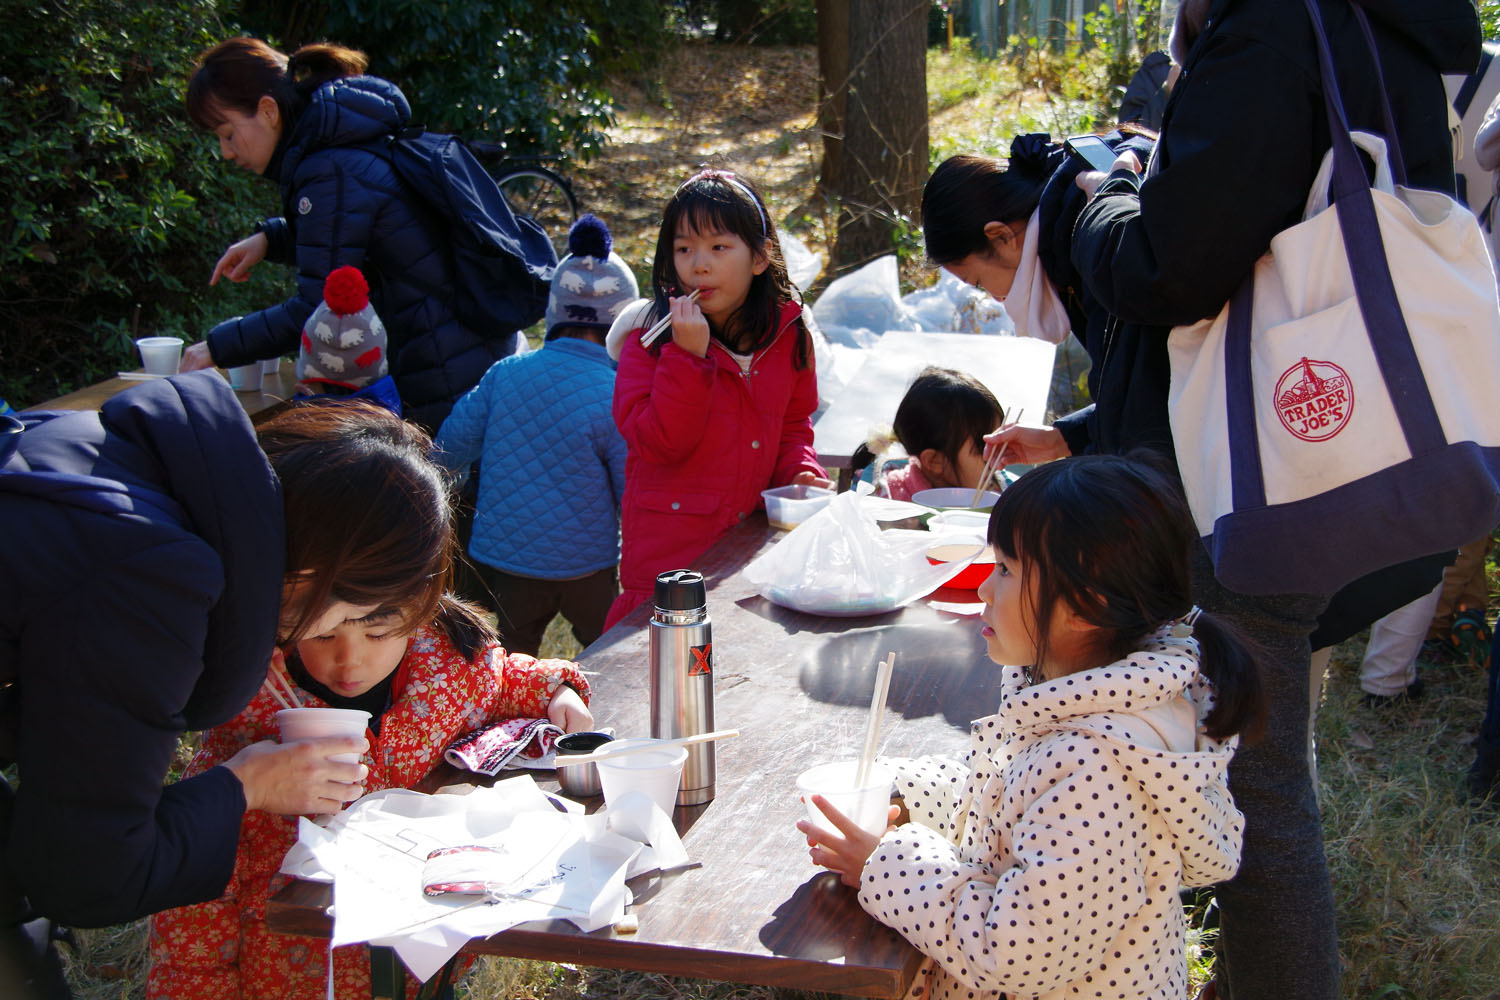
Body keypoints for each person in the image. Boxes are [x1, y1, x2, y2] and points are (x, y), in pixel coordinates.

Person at [972, 3, 1481, 997]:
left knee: (1262, 797)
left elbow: (1171, 267)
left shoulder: (1273, 30)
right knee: (1258, 773)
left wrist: (1097, 203)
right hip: (1351, 450)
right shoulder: (1383, 29)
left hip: (1268, 475)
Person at [0, 377, 457, 997]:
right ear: (316, 572)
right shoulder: (153, 577)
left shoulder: (119, 458)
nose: (321, 638)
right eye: (347, 615)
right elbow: (89, 872)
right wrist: (249, 785)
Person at [799, 454, 1259, 1000]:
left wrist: (884, 865)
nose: (984, 590)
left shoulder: (1096, 766)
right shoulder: (1073, 694)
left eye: (1008, 570)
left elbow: (1014, 950)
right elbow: (1005, 805)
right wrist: (908, 790)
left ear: (1085, 607)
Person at [147, 590, 594, 1000]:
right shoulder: (247, 724)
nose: (350, 661)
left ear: (419, 608)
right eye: (322, 634)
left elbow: (501, 679)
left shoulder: (444, 672)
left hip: (423, 955)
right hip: (286, 972)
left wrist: (556, 690)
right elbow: (192, 904)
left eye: (376, 632)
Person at [177, 37, 525, 431]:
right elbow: (364, 235)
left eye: (227, 133)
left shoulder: (329, 167)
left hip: (440, 372)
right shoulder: (341, 141)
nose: (226, 151)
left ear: (268, 110)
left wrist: (217, 347)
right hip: (461, 350)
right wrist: (271, 240)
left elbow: (316, 309)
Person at [604, 168, 831, 629]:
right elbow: (658, 443)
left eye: (718, 247)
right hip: (668, 571)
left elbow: (792, 425)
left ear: (761, 258)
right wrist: (686, 357)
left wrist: (800, 469)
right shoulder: (648, 339)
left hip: (751, 555)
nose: (698, 265)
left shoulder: (789, 334)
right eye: (684, 249)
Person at [434, 215, 637, 655]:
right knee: (607, 653)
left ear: (554, 313)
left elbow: (449, 447)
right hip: (587, 565)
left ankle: (522, 722)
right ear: (624, 328)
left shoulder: (505, 374)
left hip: (509, 563)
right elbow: (630, 488)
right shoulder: (613, 393)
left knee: (516, 657)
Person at [849, 366, 1006, 501]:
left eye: (999, 442)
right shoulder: (886, 503)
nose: (998, 456)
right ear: (934, 461)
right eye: (982, 447)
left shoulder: (1002, 493)